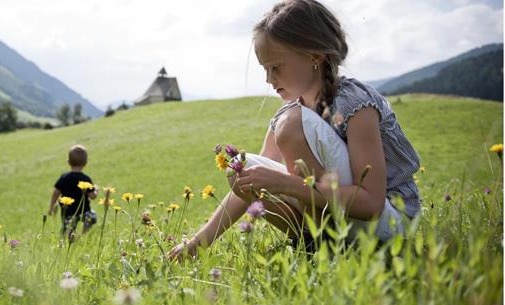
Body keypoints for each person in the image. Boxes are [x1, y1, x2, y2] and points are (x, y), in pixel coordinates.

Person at [169, 0, 422, 260]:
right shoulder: (290, 114)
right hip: (341, 221)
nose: (269, 79)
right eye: (265, 69)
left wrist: (290, 185)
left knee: (289, 125)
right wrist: (198, 242)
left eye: (275, 67)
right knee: (240, 171)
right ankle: (317, 245)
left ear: (314, 56)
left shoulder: (355, 103)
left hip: (391, 222)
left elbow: (371, 204)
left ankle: (326, 245)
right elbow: (252, 185)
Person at [47, 145, 99, 237]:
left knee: (67, 230)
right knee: (92, 217)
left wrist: (51, 207)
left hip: (68, 212)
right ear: (85, 163)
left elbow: (55, 193)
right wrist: (96, 190)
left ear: (68, 162)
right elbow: (92, 196)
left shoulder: (64, 178)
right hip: (84, 211)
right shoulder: (85, 179)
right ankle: (83, 234)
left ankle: (64, 242)